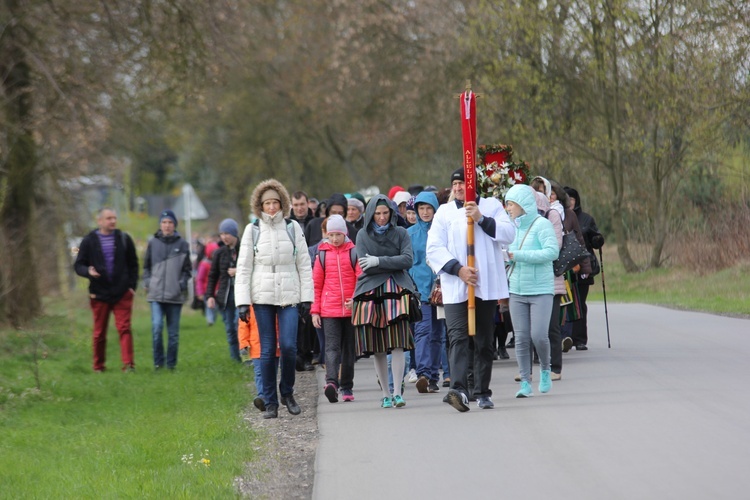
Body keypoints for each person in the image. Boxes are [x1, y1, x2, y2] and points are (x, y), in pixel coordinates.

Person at [426, 168, 515, 411]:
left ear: (473, 186)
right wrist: (459, 270)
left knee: (484, 340)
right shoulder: (444, 212)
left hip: (483, 286)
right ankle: (458, 389)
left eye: (462, 183)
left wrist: (481, 219)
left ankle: (482, 391)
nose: (457, 188)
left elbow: (508, 234)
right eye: (454, 183)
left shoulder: (491, 206)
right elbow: (433, 248)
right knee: (457, 338)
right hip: (456, 286)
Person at [235, 179, 313, 419]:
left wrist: (306, 298)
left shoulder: (292, 228)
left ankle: (287, 392)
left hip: (289, 294)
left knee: (289, 347)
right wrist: (241, 302)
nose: (271, 207)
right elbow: (244, 267)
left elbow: (304, 265)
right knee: (267, 350)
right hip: (262, 296)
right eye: (267, 203)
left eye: (275, 203)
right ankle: (270, 402)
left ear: (282, 204)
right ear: (260, 205)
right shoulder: (253, 230)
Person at [351, 194, 417, 409]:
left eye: (385, 213)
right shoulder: (362, 234)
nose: (381, 217)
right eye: (377, 213)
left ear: (391, 213)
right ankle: (385, 393)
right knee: (378, 346)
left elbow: (408, 260)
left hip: (397, 289)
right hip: (370, 292)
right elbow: (365, 265)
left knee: (398, 342)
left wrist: (379, 260)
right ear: (371, 214)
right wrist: (392, 263)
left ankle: (398, 392)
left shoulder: (401, 232)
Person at [504, 184, 559, 398]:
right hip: (516, 289)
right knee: (521, 337)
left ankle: (546, 368)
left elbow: (552, 252)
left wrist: (518, 255)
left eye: (510, 203)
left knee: (538, 335)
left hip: (541, 289)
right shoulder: (510, 227)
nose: (507, 208)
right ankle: (525, 382)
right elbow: (506, 254)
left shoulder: (542, 224)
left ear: (522, 204)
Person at [74, 208, 139, 372]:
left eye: (114, 218)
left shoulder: (124, 239)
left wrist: (131, 287)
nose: (113, 221)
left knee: (124, 328)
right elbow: (78, 264)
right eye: (109, 218)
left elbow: (133, 264)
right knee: (99, 332)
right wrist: (88, 271)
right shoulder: (89, 241)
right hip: (99, 293)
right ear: (100, 221)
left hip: (122, 292)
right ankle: (98, 366)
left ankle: (129, 365)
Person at [311, 214, 361, 403]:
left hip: (350, 309)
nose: (334, 239)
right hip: (329, 310)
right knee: (331, 348)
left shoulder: (354, 252)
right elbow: (316, 285)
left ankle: (347, 387)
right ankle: (331, 382)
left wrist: (356, 300)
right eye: (330, 235)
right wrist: (315, 311)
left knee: (349, 350)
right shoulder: (322, 254)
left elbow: (361, 279)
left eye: (337, 235)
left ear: (344, 233)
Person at [143, 209, 192, 371]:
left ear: (175, 225)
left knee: (173, 335)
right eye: (164, 222)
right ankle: (158, 364)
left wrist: (181, 284)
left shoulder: (183, 244)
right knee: (157, 327)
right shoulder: (152, 243)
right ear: (160, 224)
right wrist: (148, 282)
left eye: (170, 222)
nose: (167, 225)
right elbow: (146, 266)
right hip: (155, 294)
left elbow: (187, 270)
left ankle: (171, 365)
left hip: (175, 295)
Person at [407, 191, 443, 394]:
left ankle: (433, 376)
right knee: (422, 331)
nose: (425, 212)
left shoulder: (442, 231)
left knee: (438, 334)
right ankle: (423, 373)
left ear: (435, 209)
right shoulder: (410, 234)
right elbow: (408, 261)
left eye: (429, 208)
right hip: (420, 291)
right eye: (421, 208)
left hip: (441, 290)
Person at [564, 186, 603, 351]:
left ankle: (580, 339)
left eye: (572, 199)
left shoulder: (586, 218)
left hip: (583, 265)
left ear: (576, 200)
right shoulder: (558, 216)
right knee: (565, 302)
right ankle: (566, 337)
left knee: (580, 302)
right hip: (566, 266)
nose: (570, 202)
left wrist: (597, 240)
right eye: (567, 199)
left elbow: (595, 237)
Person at [206, 218, 242, 362]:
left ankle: (247, 355)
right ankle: (235, 359)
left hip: (242, 294)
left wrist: (238, 271)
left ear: (234, 233)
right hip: (225, 297)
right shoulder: (219, 253)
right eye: (221, 234)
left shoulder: (245, 248)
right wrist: (209, 296)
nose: (224, 237)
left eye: (227, 233)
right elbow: (212, 276)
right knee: (229, 328)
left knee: (238, 323)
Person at [196, 241, 219, 326]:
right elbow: (200, 279)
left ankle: (213, 318)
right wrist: (200, 292)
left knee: (215, 307)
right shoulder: (204, 264)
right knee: (209, 306)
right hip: (207, 290)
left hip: (217, 290)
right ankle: (210, 320)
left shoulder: (219, 264)